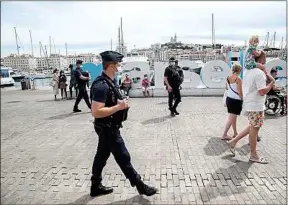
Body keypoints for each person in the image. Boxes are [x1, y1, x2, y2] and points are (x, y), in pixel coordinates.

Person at [89, 50, 158, 197]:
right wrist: (118, 107)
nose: (120, 67)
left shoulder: (110, 82)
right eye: (118, 64)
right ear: (112, 66)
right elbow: (96, 111)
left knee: (101, 156)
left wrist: (121, 103)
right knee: (123, 156)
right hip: (107, 128)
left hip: (109, 126)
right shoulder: (101, 85)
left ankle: (95, 185)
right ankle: (140, 185)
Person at [227, 65, 275, 164]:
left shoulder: (247, 72)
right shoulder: (259, 73)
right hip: (256, 106)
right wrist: (271, 83)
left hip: (251, 104)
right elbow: (262, 92)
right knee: (255, 128)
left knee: (252, 126)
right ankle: (253, 155)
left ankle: (233, 142)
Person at [221, 64, 243, 140]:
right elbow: (240, 92)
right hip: (236, 100)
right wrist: (243, 99)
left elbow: (226, 87)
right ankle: (224, 135)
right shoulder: (238, 79)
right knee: (231, 118)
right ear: (239, 70)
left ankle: (235, 132)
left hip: (229, 99)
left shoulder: (228, 78)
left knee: (233, 117)